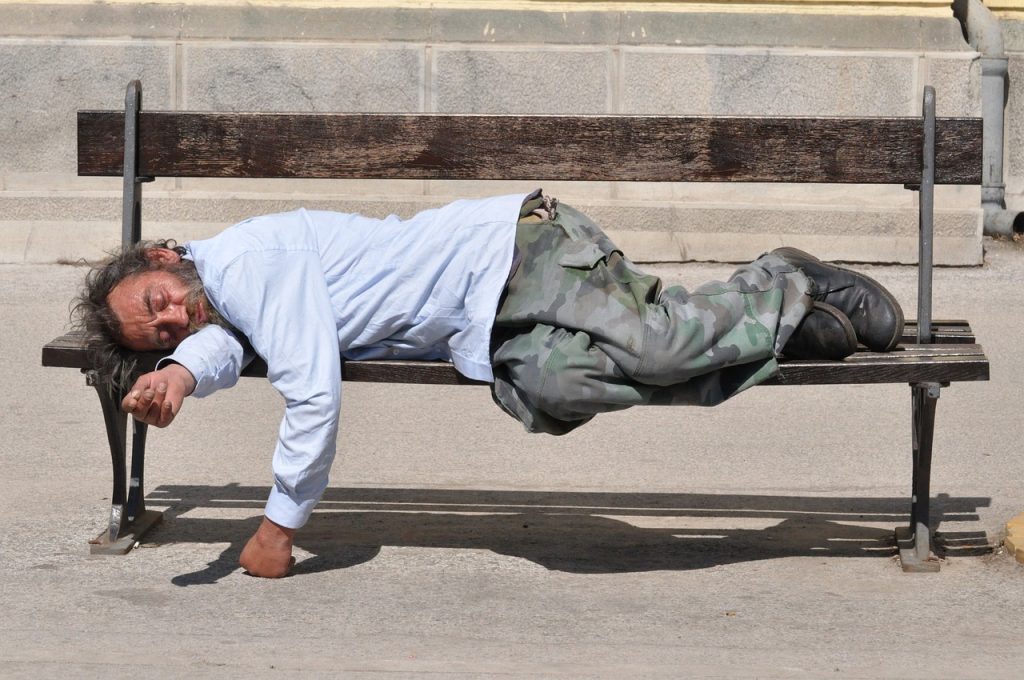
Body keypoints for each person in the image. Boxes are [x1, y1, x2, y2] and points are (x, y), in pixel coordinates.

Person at [73, 189, 903, 578]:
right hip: (494, 326)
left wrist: (279, 526)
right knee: (560, 390)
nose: (175, 319)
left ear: (165, 256)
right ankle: (791, 327)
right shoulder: (223, 304)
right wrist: (181, 374)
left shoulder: (249, 264)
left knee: (652, 348)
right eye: (162, 334)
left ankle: (782, 279)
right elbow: (233, 343)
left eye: (160, 305)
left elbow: (311, 388)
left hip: (515, 254)